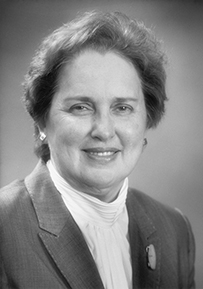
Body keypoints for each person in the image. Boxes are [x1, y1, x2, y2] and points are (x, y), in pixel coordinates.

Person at [0, 11, 195, 289]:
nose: (104, 130)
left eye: (123, 108)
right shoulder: (4, 228)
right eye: (81, 107)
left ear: (146, 121)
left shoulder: (174, 229)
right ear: (41, 119)